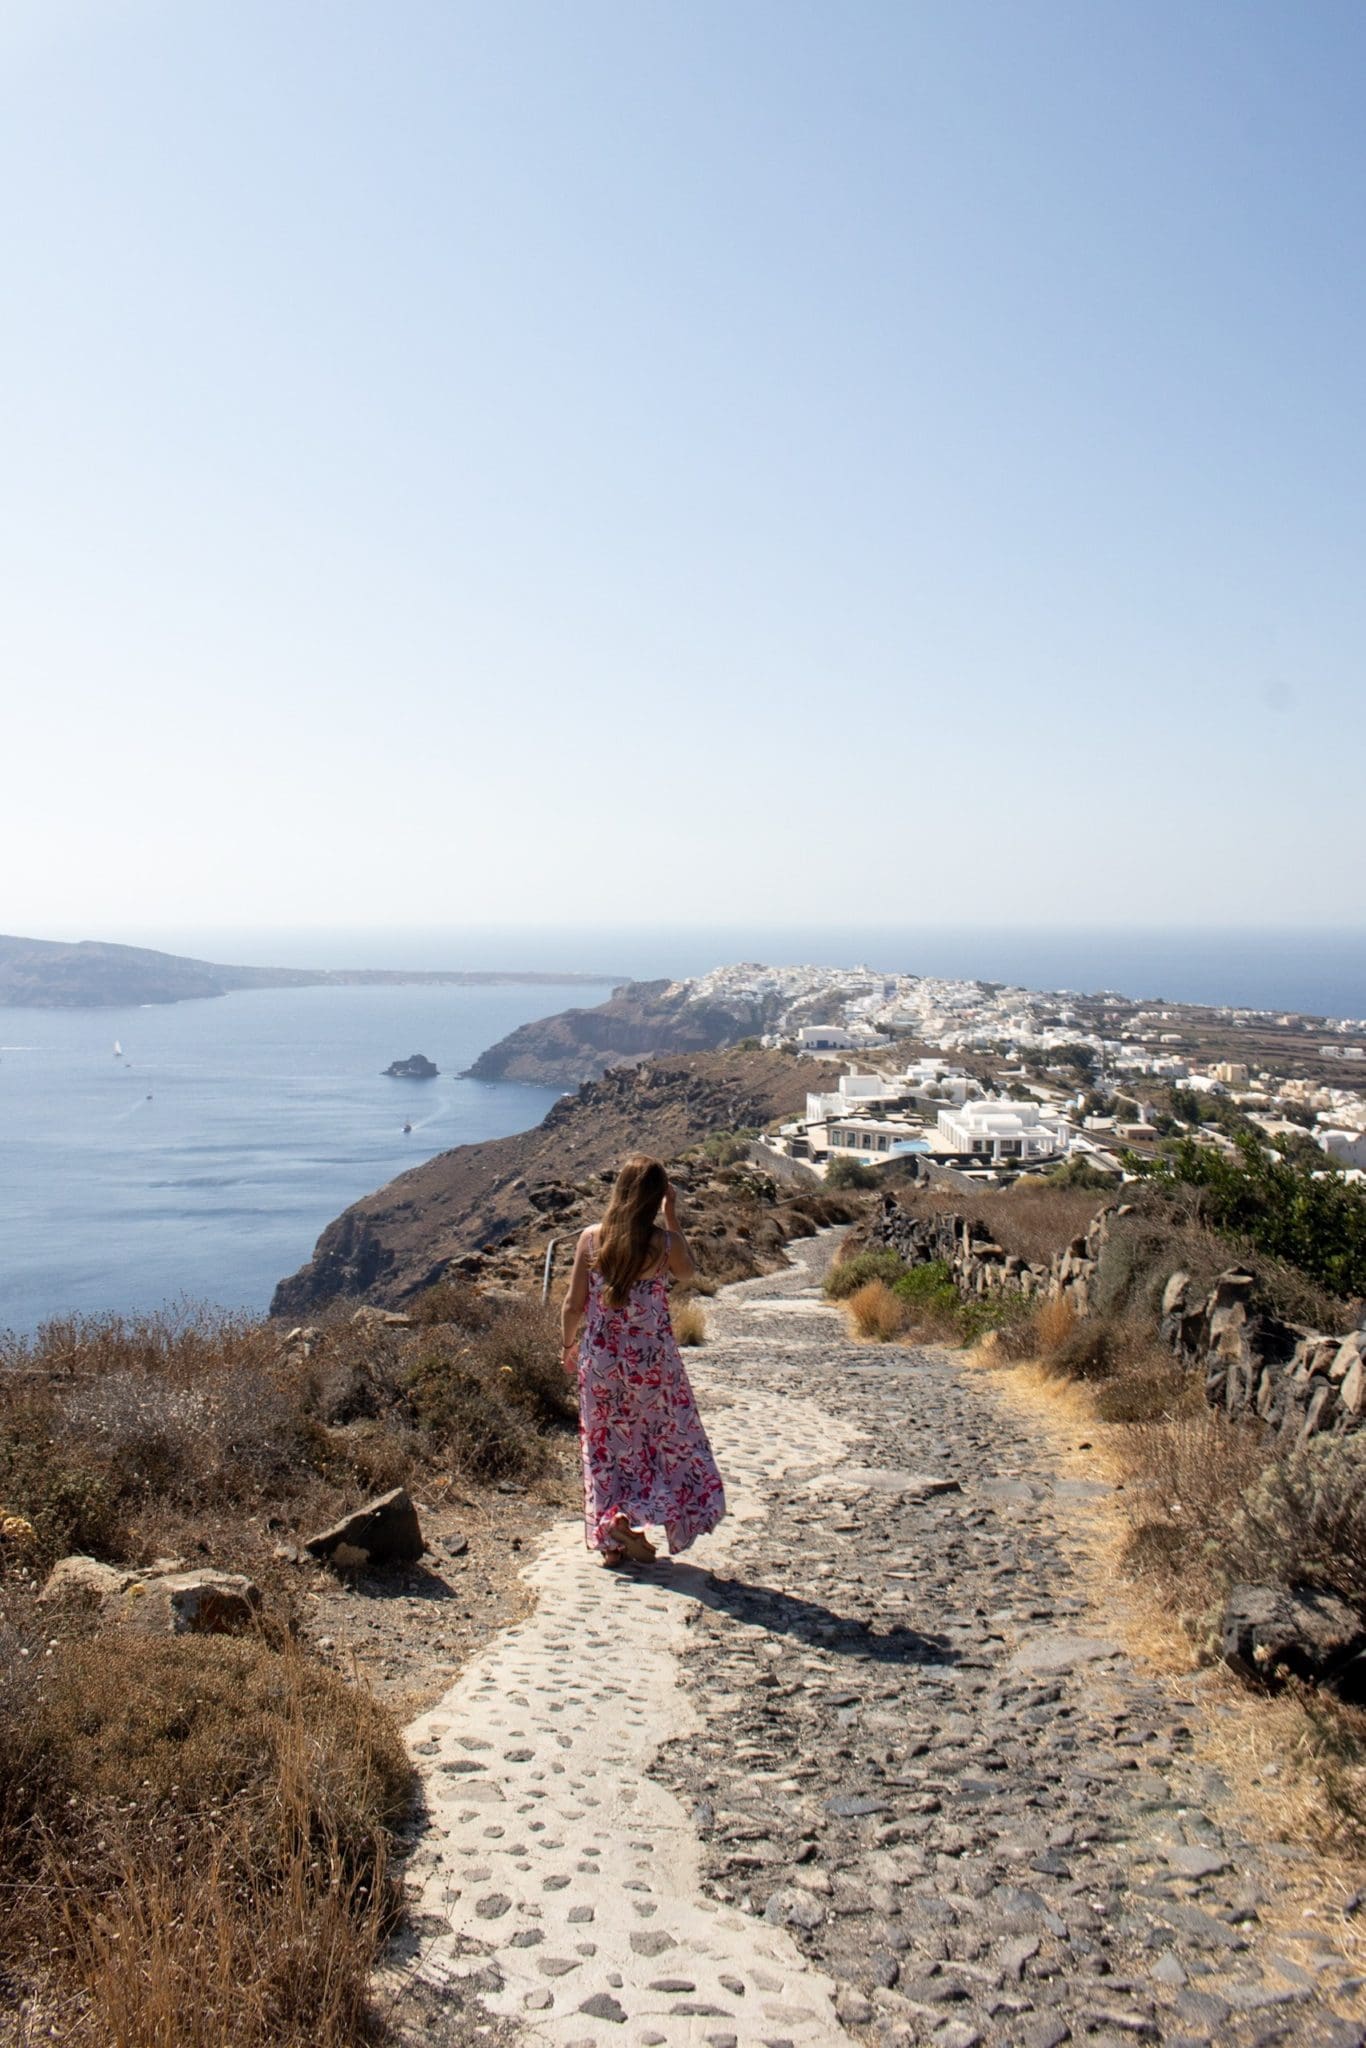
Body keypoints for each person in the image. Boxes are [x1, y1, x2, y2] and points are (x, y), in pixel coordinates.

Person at [560, 1154, 726, 1567]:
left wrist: (567, 1346)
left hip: (600, 1362)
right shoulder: (664, 1245)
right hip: (653, 1365)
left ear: (619, 1191)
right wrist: (673, 1217)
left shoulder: (591, 1239)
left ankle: (613, 1541)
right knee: (659, 1443)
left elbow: (572, 1304)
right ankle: (628, 1524)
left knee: (606, 1448)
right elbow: (688, 1273)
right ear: (656, 1196)